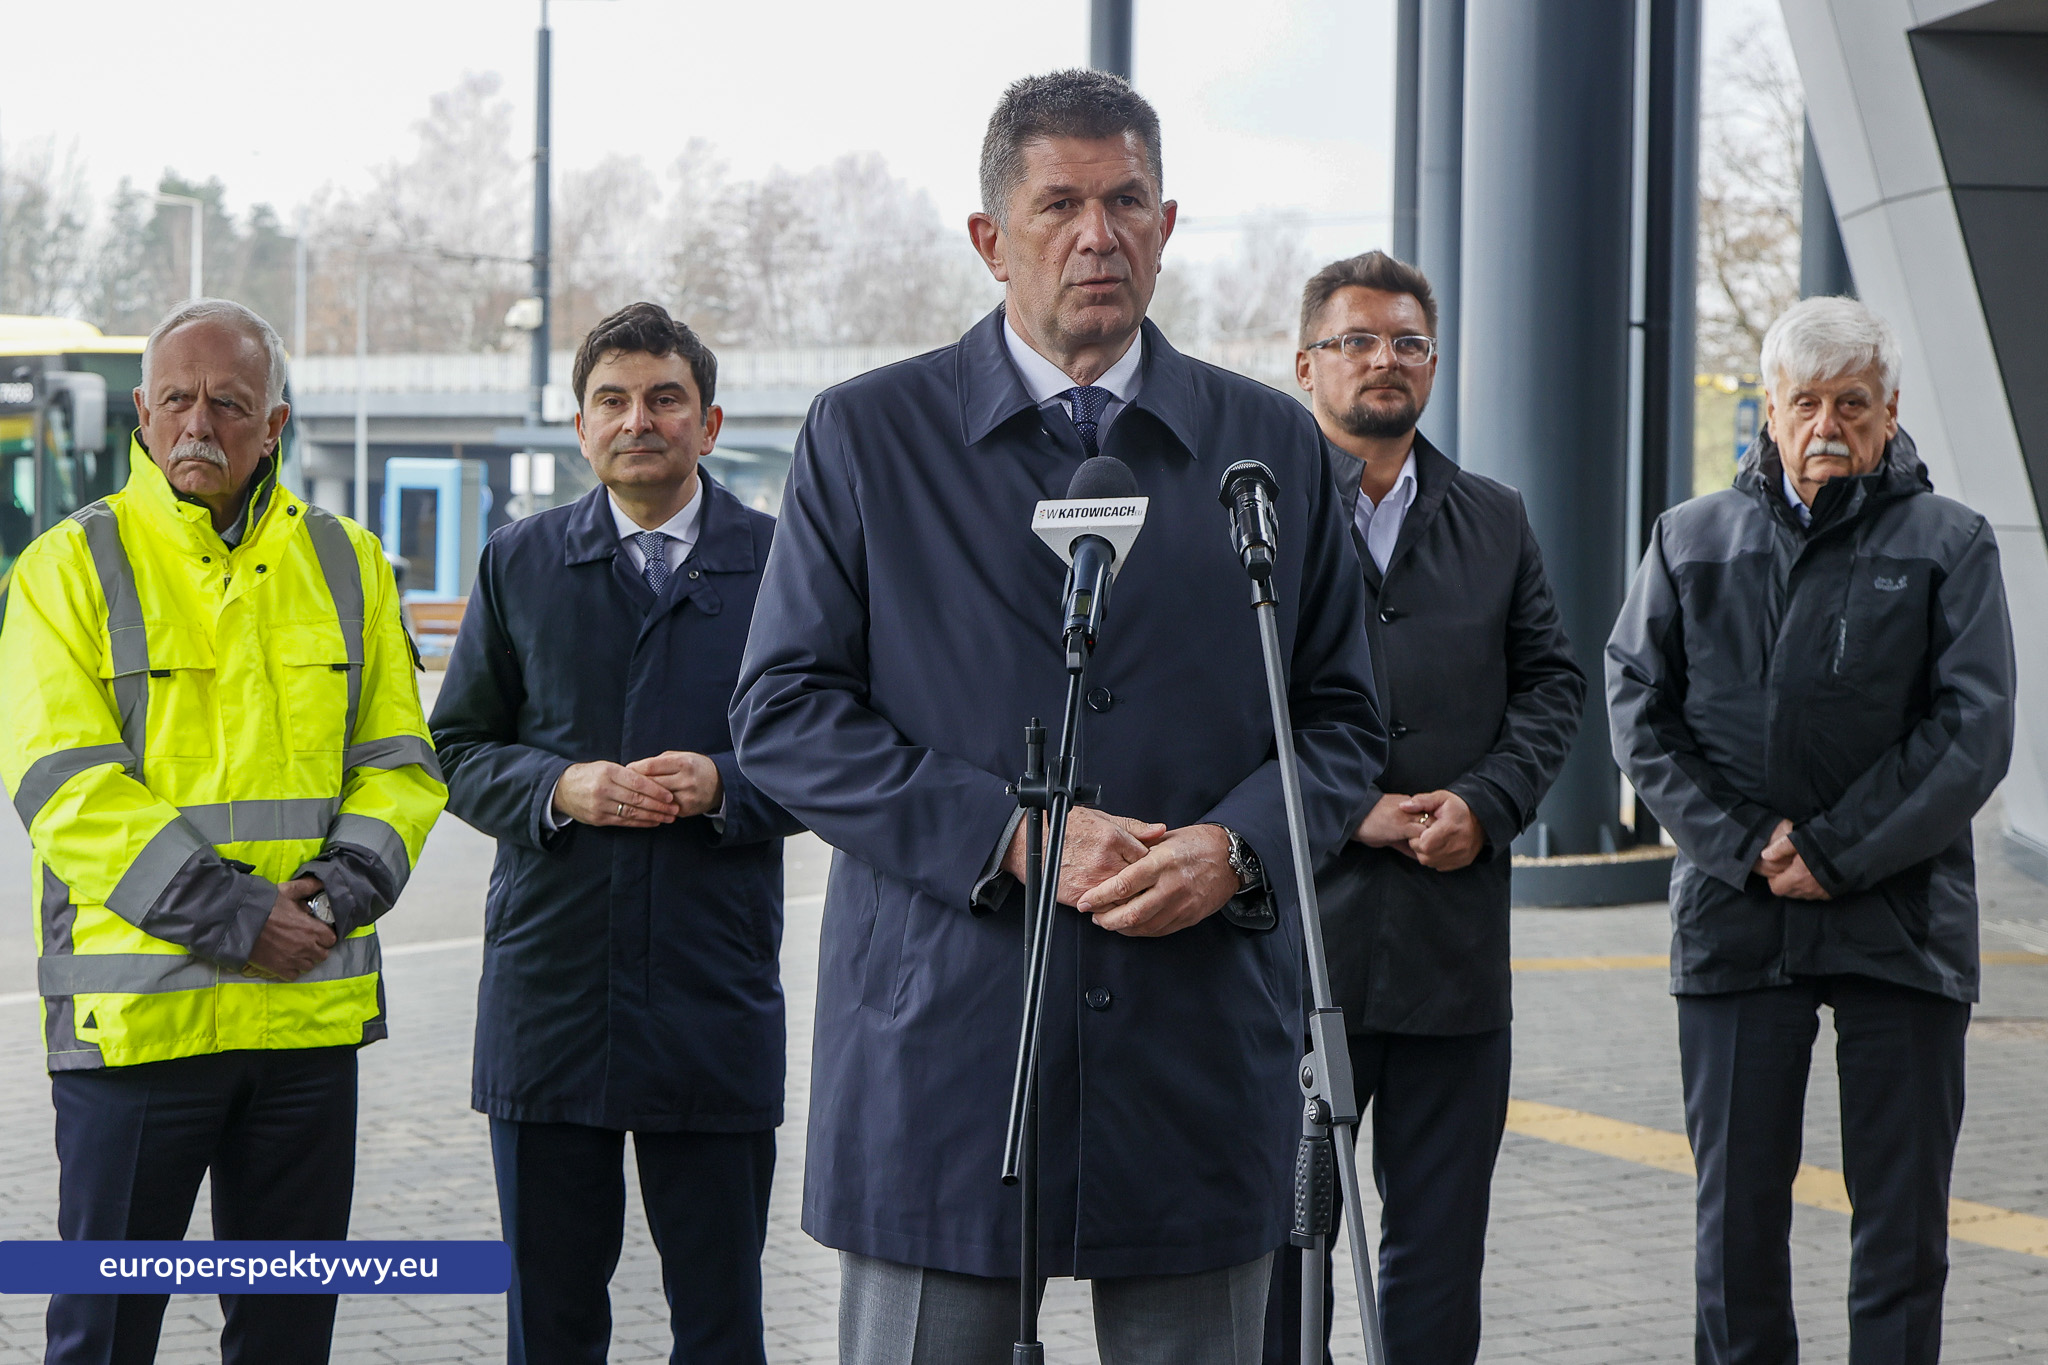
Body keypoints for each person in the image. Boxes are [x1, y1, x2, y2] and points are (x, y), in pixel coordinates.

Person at [730, 70, 1384, 1365]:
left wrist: (1239, 844)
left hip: (1199, 1037)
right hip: (948, 1053)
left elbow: (1346, 723)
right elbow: (784, 711)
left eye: (1129, 201)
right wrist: (1017, 836)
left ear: (1169, 222)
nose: (1101, 233)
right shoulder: (868, 435)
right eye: (1063, 205)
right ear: (991, 239)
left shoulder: (1272, 448)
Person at [0, 297, 446, 1364]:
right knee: (102, 1335)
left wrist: (334, 898)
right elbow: (66, 787)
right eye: (177, 401)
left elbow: (402, 768)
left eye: (228, 403)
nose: (198, 422)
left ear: (275, 424)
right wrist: (242, 918)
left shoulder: (348, 563)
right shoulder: (65, 568)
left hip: (302, 1028)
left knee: (287, 1337)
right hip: (139, 1034)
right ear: (145, 419)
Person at [1607, 295, 2015, 1365]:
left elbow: (1971, 731)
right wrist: (1745, 844)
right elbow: (1636, 712)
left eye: (1851, 402)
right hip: (1735, 918)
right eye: (1805, 402)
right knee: (1735, 1226)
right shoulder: (1688, 537)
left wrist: (1833, 851)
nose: (1826, 422)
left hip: (1901, 919)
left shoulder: (1950, 543)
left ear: (1888, 413)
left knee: (1899, 1227)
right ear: (1769, 413)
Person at [431, 302, 802, 1365]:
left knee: (720, 1318)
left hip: (708, 991)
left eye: (664, 399)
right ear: (580, 426)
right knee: (548, 1319)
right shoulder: (520, 562)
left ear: (710, 421)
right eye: (613, 401)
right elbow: (456, 749)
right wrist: (561, 789)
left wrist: (724, 786)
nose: (638, 420)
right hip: (552, 993)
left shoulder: (782, 567)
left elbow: (836, 756)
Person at [1264, 252, 1585, 1365]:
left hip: (1451, 950)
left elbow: (1550, 684)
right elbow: (1204, 703)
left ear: (1432, 365)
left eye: (1405, 342)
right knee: (1281, 1247)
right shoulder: (1249, 523)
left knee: (1438, 1251)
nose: (1382, 360)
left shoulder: (1492, 518)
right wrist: (1338, 807)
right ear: (1304, 365)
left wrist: (1486, 803)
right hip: (1296, 949)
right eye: (1354, 340)